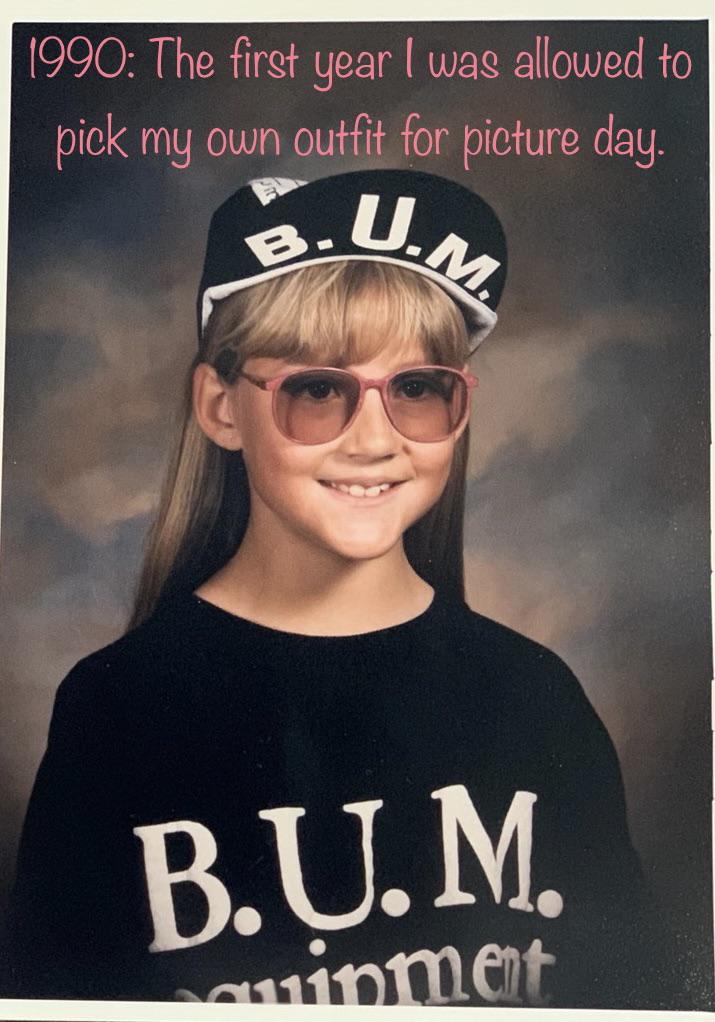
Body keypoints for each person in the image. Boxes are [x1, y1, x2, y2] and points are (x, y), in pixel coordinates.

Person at [9, 170, 671, 1007]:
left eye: (417, 389)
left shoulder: (534, 697)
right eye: (317, 390)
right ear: (219, 406)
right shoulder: (116, 709)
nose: (374, 440)